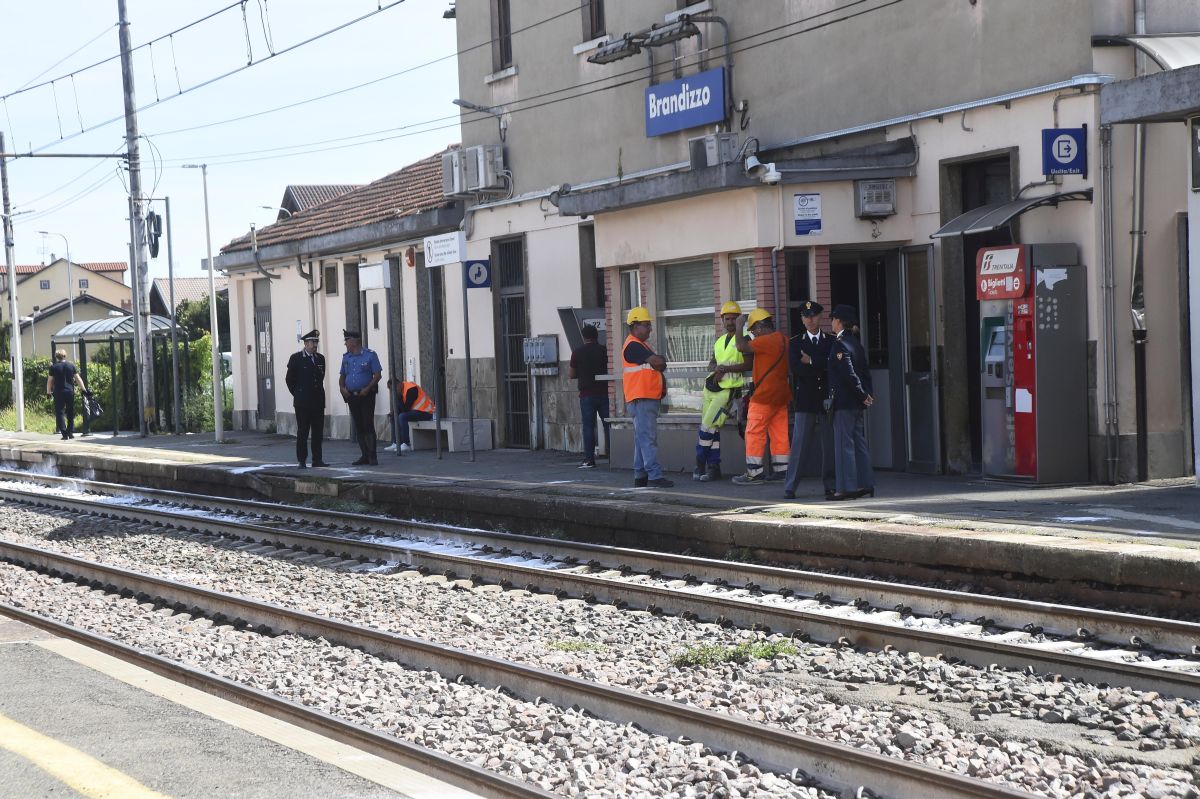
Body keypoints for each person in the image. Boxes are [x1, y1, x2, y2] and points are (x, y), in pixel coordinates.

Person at [783, 301, 836, 500]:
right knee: (799, 445)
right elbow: (796, 368)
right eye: (806, 316)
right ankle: (790, 486)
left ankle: (831, 485)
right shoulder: (796, 342)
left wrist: (811, 360)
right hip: (805, 398)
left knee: (829, 446)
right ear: (802, 319)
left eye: (813, 315)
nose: (810, 320)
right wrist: (821, 365)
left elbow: (833, 366)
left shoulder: (831, 341)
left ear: (820, 317)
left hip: (826, 399)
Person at [732, 308, 789, 485]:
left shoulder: (765, 340)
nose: (754, 335)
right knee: (779, 433)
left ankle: (754, 473)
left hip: (764, 395)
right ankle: (782, 471)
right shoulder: (784, 340)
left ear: (760, 327)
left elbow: (741, 347)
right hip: (781, 395)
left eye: (753, 330)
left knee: (754, 432)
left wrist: (739, 326)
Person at [695, 301, 751, 481]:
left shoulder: (745, 338)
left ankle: (699, 464)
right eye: (727, 319)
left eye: (734, 319)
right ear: (722, 320)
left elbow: (749, 364)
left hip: (729, 390)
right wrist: (716, 367)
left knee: (708, 427)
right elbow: (712, 363)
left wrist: (726, 369)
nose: (730, 322)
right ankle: (713, 468)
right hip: (712, 387)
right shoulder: (719, 340)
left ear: (739, 320)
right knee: (713, 429)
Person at [621, 307, 673, 488]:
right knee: (648, 439)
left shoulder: (639, 345)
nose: (650, 328)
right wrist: (660, 360)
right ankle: (654, 476)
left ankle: (640, 476)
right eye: (646, 325)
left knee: (641, 438)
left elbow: (657, 365)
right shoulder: (633, 345)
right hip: (642, 398)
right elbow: (659, 362)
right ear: (635, 326)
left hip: (642, 398)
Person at [828, 304, 875, 500]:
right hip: (856, 403)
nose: (831, 322)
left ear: (839, 321)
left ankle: (846, 488)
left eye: (833, 319)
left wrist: (862, 394)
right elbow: (864, 372)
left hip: (845, 402)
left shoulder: (839, 344)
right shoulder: (855, 343)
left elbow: (849, 374)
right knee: (859, 443)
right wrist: (867, 394)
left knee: (843, 445)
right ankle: (865, 483)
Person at [338, 329, 382, 466]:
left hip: (366, 395)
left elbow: (377, 375)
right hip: (352, 396)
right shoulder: (346, 357)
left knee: (367, 424)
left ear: (354, 342)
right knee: (359, 425)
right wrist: (342, 388)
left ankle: (372, 456)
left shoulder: (370, 355)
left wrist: (368, 388)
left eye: (346, 341)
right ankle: (364, 455)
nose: (345, 344)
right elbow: (342, 376)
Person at [285, 329, 328, 469]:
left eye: (316, 342)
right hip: (302, 402)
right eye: (312, 342)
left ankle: (317, 459)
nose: (315, 345)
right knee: (303, 431)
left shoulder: (320, 358)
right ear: (305, 343)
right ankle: (302, 460)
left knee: (318, 432)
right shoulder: (296, 358)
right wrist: (298, 393)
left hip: (318, 401)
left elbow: (320, 377)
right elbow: (289, 379)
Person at [569, 324, 609, 468]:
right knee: (608, 424)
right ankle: (614, 457)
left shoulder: (577, 352)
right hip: (604, 392)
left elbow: (571, 374)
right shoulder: (604, 350)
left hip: (587, 394)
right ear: (596, 336)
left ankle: (589, 459)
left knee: (588, 427)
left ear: (584, 337)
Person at [46, 349, 86, 440]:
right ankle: (70, 432)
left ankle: (64, 434)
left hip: (58, 392)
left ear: (56, 357)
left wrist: (48, 392)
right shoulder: (71, 365)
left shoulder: (54, 367)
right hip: (69, 391)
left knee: (60, 412)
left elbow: (50, 381)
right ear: (65, 356)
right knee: (70, 411)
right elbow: (78, 379)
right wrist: (83, 389)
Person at [392, 377, 435, 452]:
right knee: (393, 415)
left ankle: (406, 443)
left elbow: (405, 409)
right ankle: (396, 443)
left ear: (399, 384)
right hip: (417, 412)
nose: (394, 391)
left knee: (402, 416)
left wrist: (399, 397)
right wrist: (393, 412)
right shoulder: (403, 390)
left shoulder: (411, 389)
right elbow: (402, 409)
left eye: (394, 389)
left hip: (426, 413)